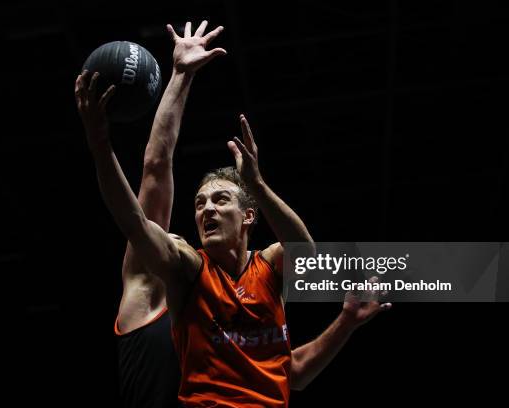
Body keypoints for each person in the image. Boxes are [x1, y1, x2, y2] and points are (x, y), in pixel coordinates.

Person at [76, 20, 391, 408]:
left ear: (247, 216)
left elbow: (291, 371)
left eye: (220, 200)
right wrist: (104, 138)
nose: (206, 209)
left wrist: (345, 323)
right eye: (199, 203)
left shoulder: (266, 275)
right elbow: (153, 173)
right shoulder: (169, 274)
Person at [76, 20, 226, 408]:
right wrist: (180, 75)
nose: (171, 237)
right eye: (198, 205)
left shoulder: (235, 306)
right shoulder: (148, 288)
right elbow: (156, 166)